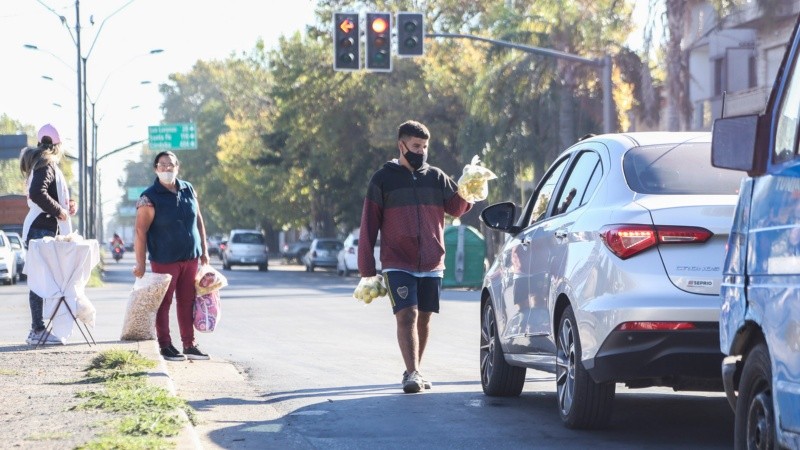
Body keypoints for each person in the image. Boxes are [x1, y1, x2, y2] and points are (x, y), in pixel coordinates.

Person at [358, 120, 473, 393]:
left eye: (424, 147)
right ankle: (412, 373)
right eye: (415, 146)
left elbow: (456, 208)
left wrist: (470, 189)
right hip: (398, 260)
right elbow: (369, 224)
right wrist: (367, 269)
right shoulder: (383, 179)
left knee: (424, 317)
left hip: (433, 261)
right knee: (406, 314)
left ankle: (415, 371)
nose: (420, 152)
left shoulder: (436, 177)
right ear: (401, 145)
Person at [132, 151, 211, 362]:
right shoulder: (149, 197)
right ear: (155, 169)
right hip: (164, 258)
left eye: (171, 164)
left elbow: (198, 219)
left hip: (190, 257)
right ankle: (165, 345)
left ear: (178, 167)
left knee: (187, 301)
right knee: (164, 302)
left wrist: (204, 248)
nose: (167, 168)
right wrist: (140, 262)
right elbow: (140, 232)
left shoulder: (188, 188)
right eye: (162, 164)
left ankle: (189, 344)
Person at [19, 124, 76, 345]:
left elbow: (47, 193)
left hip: (42, 227)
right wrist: (59, 210)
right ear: (58, 146)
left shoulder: (42, 163)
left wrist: (68, 205)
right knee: (39, 280)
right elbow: (37, 193)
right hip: (40, 228)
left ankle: (39, 328)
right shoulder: (46, 163)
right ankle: (37, 330)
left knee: (42, 279)